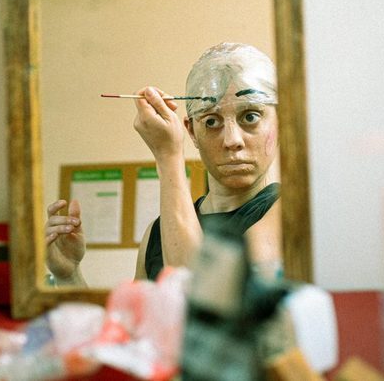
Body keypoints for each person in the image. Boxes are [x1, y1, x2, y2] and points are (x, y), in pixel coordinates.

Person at [44, 42, 282, 284]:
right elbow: (139, 310)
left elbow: (195, 292)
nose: (232, 140)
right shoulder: (157, 234)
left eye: (250, 117)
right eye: (211, 121)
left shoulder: (291, 212)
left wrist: (168, 155)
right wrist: (69, 274)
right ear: (191, 131)